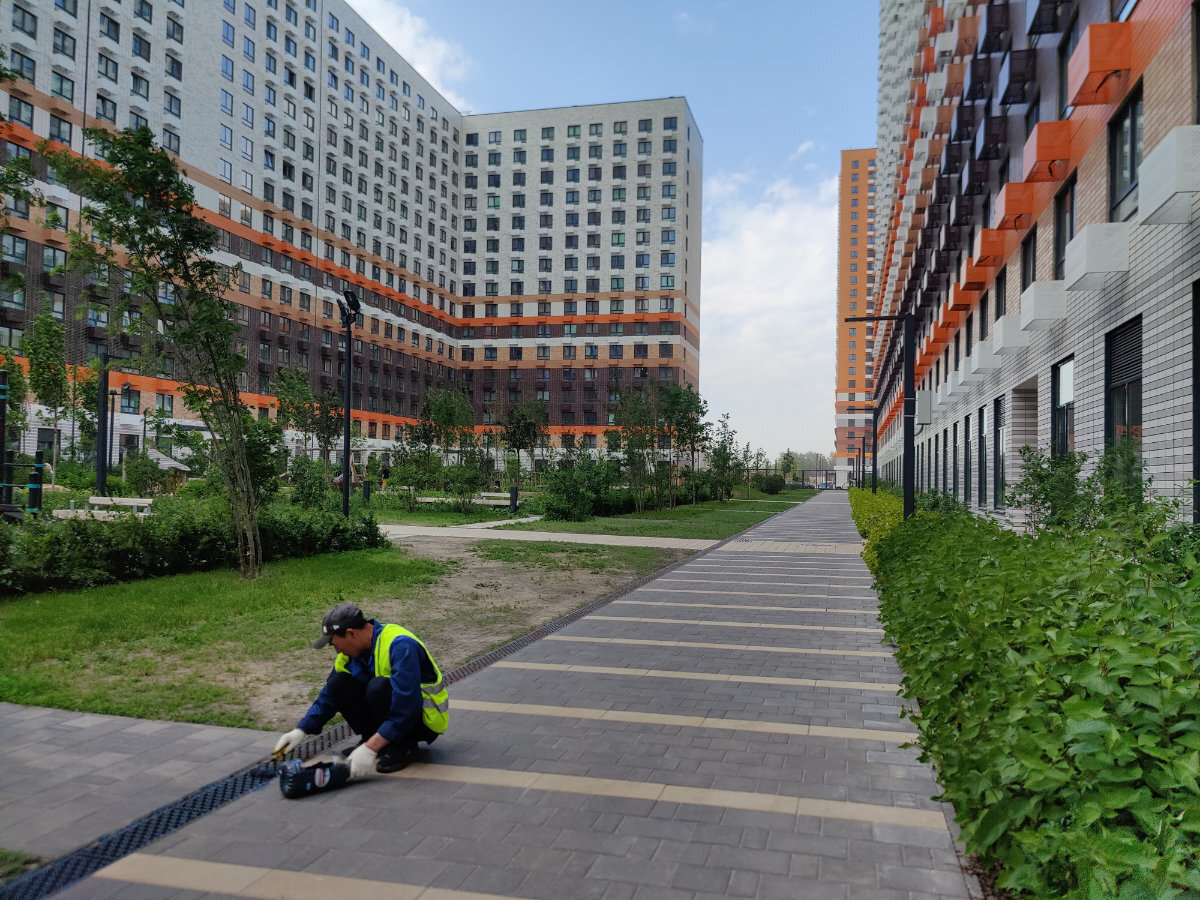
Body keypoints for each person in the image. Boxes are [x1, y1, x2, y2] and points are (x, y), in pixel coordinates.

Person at [273, 602, 449, 778]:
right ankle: (374, 738)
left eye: (335, 645)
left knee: (377, 687)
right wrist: (301, 729)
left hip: (422, 720)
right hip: (397, 714)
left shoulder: (400, 645)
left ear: (350, 633)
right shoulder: (350, 654)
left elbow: (407, 705)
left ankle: (403, 747)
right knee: (338, 683)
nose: (337, 651)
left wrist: (370, 748)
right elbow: (329, 696)